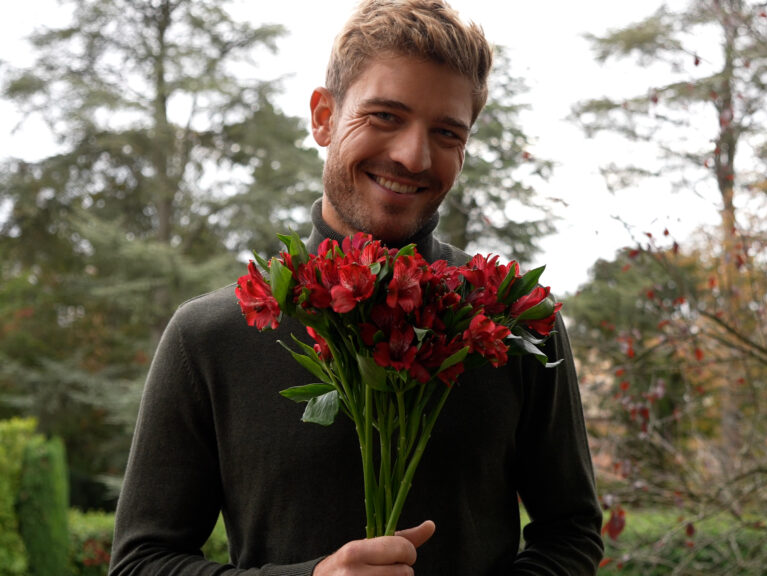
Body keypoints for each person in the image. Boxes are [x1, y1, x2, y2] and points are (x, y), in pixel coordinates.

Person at [108, 0, 604, 574]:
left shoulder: (513, 321)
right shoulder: (208, 336)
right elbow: (141, 562)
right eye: (386, 117)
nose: (412, 155)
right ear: (323, 116)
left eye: (446, 132)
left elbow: (571, 536)